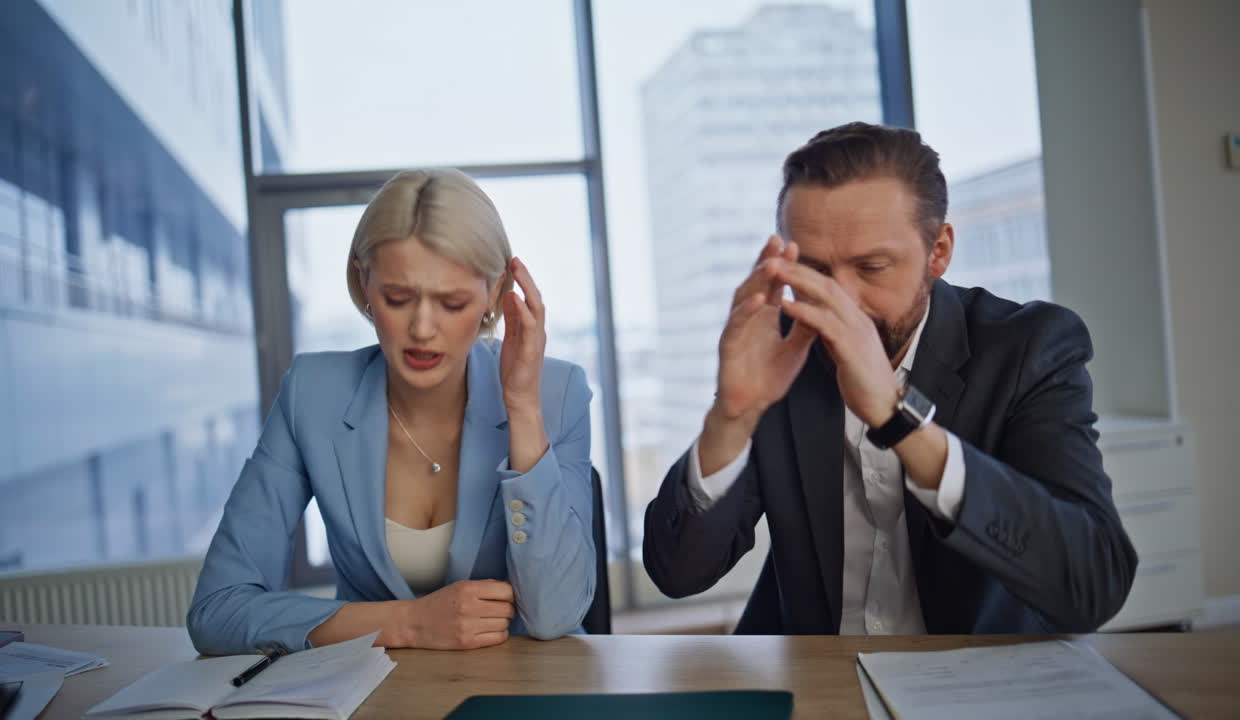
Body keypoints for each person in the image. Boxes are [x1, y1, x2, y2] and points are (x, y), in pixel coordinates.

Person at [643, 122, 1137, 634]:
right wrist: (732, 418)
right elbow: (679, 574)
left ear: (938, 251)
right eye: (813, 271)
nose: (842, 301)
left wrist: (898, 416)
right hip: (816, 683)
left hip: (977, 686)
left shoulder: (1029, 349)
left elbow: (1094, 584)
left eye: (873, 266)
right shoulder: (781, 350)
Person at [188, 168, 595, 655]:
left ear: (494, 295)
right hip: (370, 694)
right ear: (363, 283)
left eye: (451, 303)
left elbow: (557, 615)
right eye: (397, 299)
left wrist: (523, 409)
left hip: (522, 696)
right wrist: (407, 624)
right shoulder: (312, 395)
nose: (423, 329)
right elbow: (218, 610)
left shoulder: (557, 393)